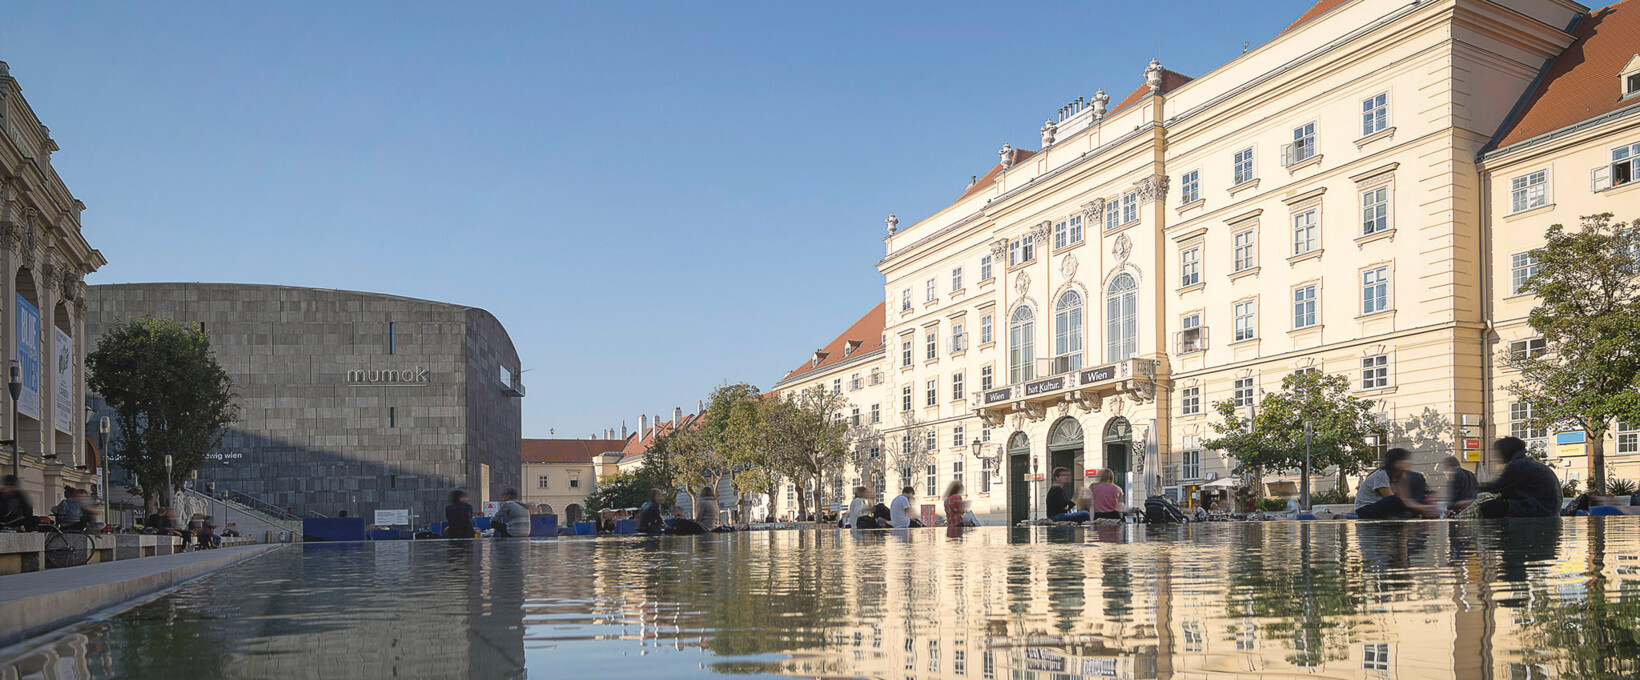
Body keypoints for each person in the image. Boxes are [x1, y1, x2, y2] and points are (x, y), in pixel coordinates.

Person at [1477, 437, 1561, 518]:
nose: (1496, 457)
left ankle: (1493, 531)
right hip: (1547, 508)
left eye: (1498, 453)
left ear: (1506, 452)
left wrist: (1472, 491)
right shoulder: (1526, 462)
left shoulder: (1518, 465)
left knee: (1489, 507)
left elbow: (1497, 487)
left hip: (1540, 509)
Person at [1354, 448, 1440, 519]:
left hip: (1384, 507)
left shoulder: (1402, 476)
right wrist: (1421, 509)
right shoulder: (1381, 475)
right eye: (1403, 460)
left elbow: (1406, 499)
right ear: (1394, 462)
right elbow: (1390, 500)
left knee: (1408, 502)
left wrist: (1424, 508)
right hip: (1365, 509)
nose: (1407, 462)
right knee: (1394, 500)